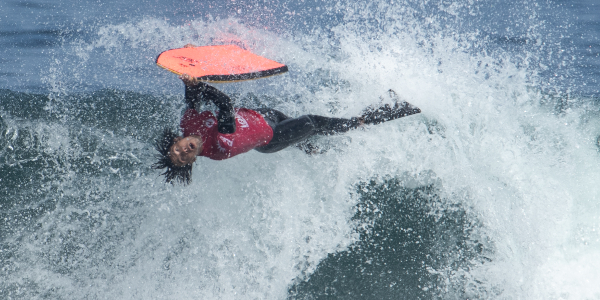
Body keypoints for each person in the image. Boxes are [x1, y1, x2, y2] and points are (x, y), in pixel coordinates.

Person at [155, 79, 419, 183]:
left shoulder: (188, 124)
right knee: (311, 123)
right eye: (183, 157)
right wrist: (201, 82)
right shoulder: (220, 148)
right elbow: (224, 104)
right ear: (192, 161)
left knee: (302, 132)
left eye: (177, 149)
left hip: (264, 116)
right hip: (272, 138)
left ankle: (310, 149)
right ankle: (372, 118)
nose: (183, 151)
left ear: (178, 140)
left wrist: (187, 77)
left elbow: (191, 99)